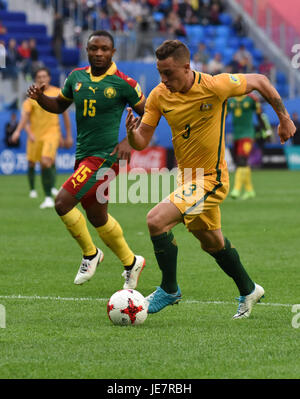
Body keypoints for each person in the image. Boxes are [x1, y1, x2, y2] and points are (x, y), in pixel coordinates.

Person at [126, 39, 295, 319]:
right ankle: (249, 289)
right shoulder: (158, 95)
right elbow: (142, 139)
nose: (163, 79)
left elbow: (261, 80)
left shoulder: (215, 86)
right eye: (160, 73)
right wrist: (133, 135)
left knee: (156, 220)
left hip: (211, 179)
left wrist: (284, 118)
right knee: (211, 242)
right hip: (188, 180)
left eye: (168, 73)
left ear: (186, 67)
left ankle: (169, 289)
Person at [25, 30, 146, 288]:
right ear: (87, 50)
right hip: (84, 157)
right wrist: (40, 98)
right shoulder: (76, 78)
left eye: (104, 49)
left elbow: (150, 115)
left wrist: (128, 140)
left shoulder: (124, 83)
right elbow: (59, 105)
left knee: (62, 202)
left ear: (113, 52)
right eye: (94, 49)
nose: (99, 53)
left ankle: (91, 254)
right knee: (97, 217)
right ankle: (131, 261)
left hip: (106, 157)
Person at [11, 67, 73, 207]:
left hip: (52, 133)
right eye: (39, 76)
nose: (42, 79)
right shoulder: (32, 97)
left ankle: (48, 197)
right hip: (36, 136)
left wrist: (68, 135)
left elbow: (65, 116)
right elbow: (25, 117)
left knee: (46, 161)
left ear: (49, 78)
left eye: (44, 76)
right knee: (36, 162)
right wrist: (17, 131)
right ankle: (41, 188)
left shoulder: (57, 92)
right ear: (35, 79)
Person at [227, 93, 271, 200]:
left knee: (242, 160)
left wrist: (266, 131)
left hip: (247, 135)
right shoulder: (230, 101)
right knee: (242, 162)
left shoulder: (251, 99)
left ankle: (236, 189)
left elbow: (260, 116)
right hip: (236, 135)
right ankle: (250, 190)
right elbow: (224, 116)